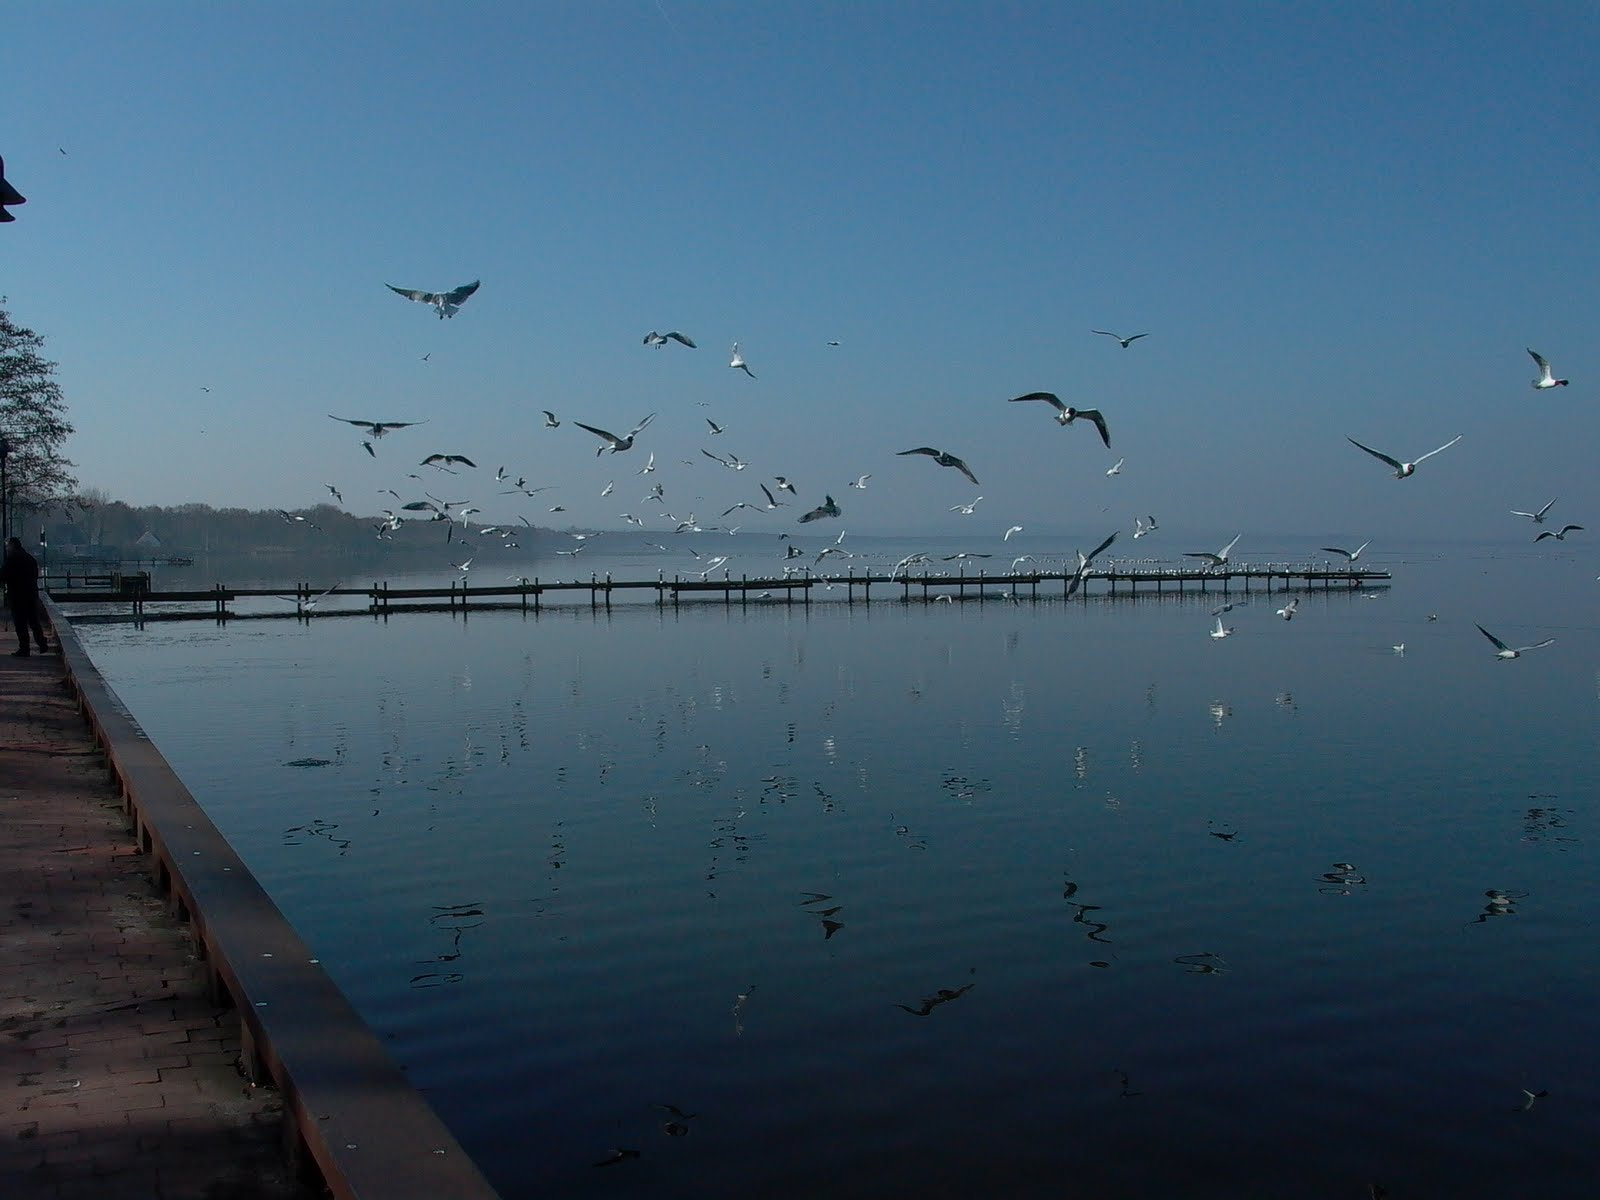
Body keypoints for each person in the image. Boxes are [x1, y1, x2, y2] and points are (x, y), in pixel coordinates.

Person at [1, 536, 49, 656]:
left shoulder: (12, 559)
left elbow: (4, 575)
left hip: (18, 595)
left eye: (8, 546)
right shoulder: (30, 558)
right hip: (31, 594)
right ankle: (42, 643)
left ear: (12, 546)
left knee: (20, 622)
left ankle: (24, 648)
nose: (7, 548)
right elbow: (35, 575)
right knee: (34, 621)